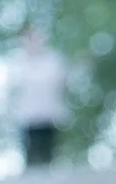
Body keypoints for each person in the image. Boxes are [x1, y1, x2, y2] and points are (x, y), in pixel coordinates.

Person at [7, 27, 70, 169]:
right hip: (27, 116)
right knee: (31, 152)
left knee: (48, 150)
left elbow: (61, 82)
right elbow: (14, 89)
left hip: (48, 115)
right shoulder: (18, 63)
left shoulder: (53, 60)